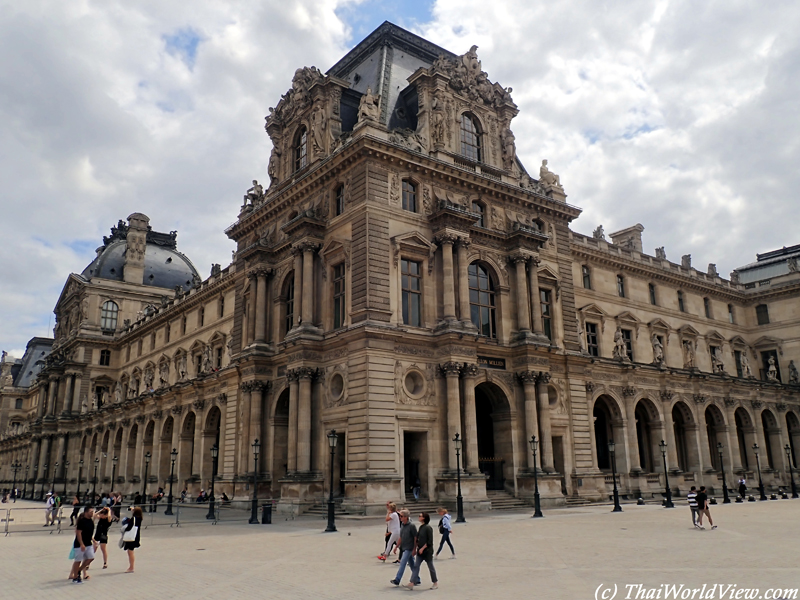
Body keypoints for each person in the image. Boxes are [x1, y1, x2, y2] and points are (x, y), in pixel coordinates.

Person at [407, 512, 438, 590]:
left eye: (420, 516)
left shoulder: (428, 528)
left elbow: (429, 541)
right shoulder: (421, 527)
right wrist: (415, 548)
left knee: (430, 566)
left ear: (424, 518)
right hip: (420, 551)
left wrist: (422, 548)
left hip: (427, 551)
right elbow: (417, 539)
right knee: (416, 566)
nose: (419, 517)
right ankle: (412, 582)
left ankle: (435, 582)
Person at [389, 509, 418, 587]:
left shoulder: (411, 526)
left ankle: (397, 579)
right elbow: (401, 537)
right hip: (404, 547)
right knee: (412, 564)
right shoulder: (402, 525)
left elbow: (415, 537)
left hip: (409, 547)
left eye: (401, 516)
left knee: (402, 563)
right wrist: (396, 546)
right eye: (399, 516)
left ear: (406, 517)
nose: (400, 517)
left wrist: (415, 549)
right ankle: (417, 579)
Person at [69, 506, 95, 584]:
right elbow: (78, 533)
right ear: (86, 512)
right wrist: (81, 544)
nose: (92, 513)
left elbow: (89, 533)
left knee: (91, 557)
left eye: (93, 512)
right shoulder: (81, 521)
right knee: (78, 560)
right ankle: (75, 577)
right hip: (80, 544)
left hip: (88, 543)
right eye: (91, 511)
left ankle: (79, 570)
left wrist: (93, 540)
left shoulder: (91, 521)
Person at [122, 506, 143, 573]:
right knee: (131, 551)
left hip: (131, 537)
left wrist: (124, 529)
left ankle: (131, 567)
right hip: (136, 536)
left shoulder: (133, 518)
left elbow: (129, 527)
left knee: (130, 552)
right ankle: (131, 566)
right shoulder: (139, 518)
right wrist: (133, 509)